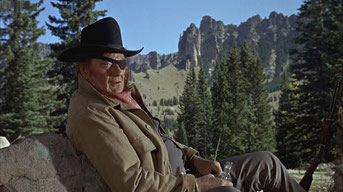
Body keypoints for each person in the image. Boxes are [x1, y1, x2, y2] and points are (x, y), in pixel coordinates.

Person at [58, 17, 306, 192]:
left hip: (186, 178)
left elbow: (162, 140)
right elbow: (132, 184)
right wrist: (198, 184)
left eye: (121, 63)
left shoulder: (124, 97)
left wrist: (194, 159)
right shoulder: (91, 113)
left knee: (266, 163)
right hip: (177, 188)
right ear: (84, 69)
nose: (117, 71)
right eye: (105, 63)